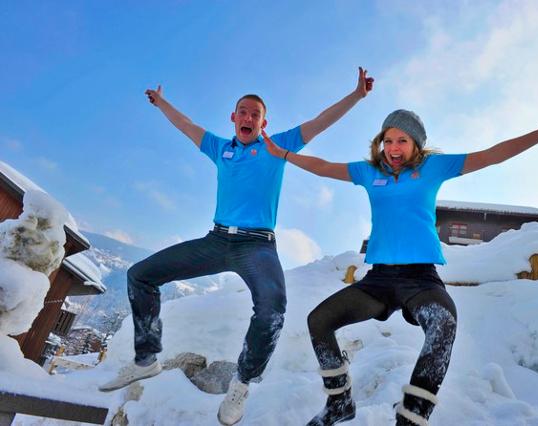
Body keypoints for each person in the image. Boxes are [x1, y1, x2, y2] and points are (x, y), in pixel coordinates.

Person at [262, 96, 538, 425]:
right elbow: (323, 167)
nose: (393, 147)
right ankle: (339, 402)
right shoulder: (369, 172)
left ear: (417, 144)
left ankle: (412, 417)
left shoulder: (432, 168)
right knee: (319, 320)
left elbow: (491, 155)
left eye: (402, 140)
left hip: (420, 280)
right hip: (378, 281)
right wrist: (284, 154)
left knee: (444, 322)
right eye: (387, 140)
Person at [99, 68, 374, 426]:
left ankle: (241, 384)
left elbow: (320, 121)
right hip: (216, 240)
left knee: (273, 310)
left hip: (256, 245)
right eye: (242, 112)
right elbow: (185, 124)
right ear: (233, 118)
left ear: (263, 123)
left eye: (255, 114)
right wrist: (162, 102)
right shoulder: (219, 147)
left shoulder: (278, 146)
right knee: (140, 275)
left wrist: (356, 96)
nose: (248, 118)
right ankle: (146, 359)